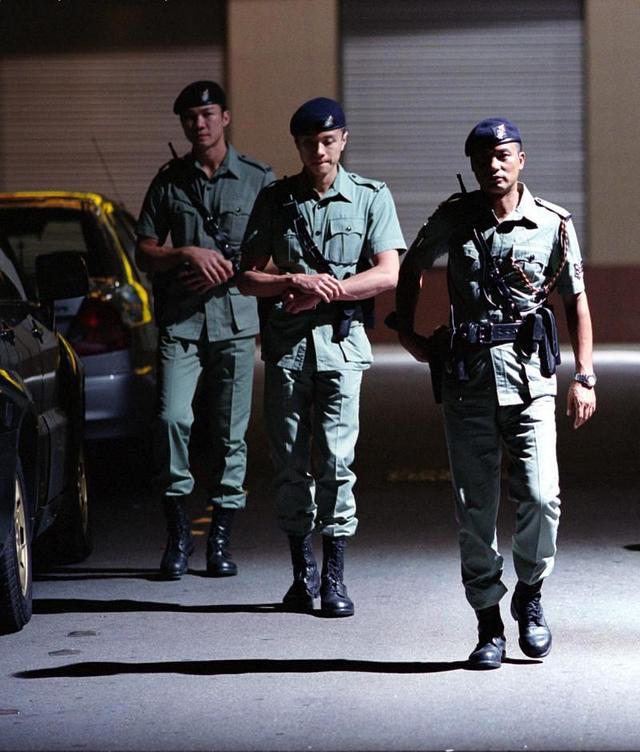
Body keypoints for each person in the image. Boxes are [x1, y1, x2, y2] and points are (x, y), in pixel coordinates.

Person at [395, 118, 596, 668]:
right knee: (475, 510)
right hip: (468, 384)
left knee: (539, 496)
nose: (494, 164)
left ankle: (530, 596)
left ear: (522, 160)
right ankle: (488, 622)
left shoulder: (552, 223)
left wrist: (584, 375)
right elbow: (412, 265)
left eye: (504, 154)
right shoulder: (453, 219)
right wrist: (409, 334)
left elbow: (576, 299)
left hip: (532, 382)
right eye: (483, 156)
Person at [237, 97, 405, 616]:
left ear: (343, 140)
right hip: (288, 352)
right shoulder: (277, 200)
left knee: (336, 462)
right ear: (298, 146)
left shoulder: (371, 197)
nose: (319, 150)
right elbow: (247, 277)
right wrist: (291, 280)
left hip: (341, 348)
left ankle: (334, 576)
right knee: (289, 464)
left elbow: (387, 273)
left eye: (328, 140)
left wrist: (324, 292)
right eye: (309, 142)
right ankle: (299, 572)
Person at [136, 80, 275, 580]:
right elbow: (144, 250)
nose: (199, 124)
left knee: (229, 436)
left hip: (236, 322)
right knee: (173, 419)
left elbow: (280, 250)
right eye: (190, 117)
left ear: (226, 117)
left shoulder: (259, 178)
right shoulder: (170, 180)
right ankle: (177, 536)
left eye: (208, 114)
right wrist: (186, 253)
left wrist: (239, 270)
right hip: (182, 321)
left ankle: (219, 539)